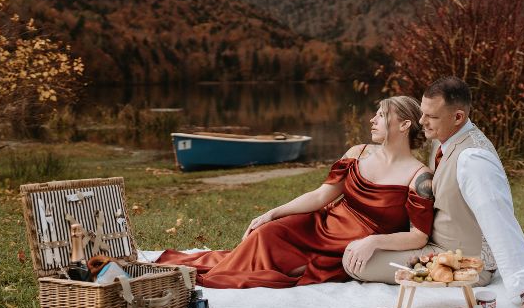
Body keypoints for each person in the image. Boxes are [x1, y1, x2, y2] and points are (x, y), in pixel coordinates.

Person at [154, 97, 434, 288]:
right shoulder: (357, 153)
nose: (372, 119)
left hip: (349, 245)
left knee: (285, 269)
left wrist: (374, 242)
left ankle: (205, 278)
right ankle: (192, 273)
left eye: (382, 115)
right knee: (267, 233)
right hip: (321, 224)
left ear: (405, 124)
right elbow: (320, 196)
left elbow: (418, 236)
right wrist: (272, 213)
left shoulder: (418, 176)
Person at [344, 77, 524, 308]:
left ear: (458, 117)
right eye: (422, 113)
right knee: (360, 246)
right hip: (436, 246)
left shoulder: (473, 160)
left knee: (354, 262)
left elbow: (501, 224)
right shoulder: (445, 138)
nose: (421, 121)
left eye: (431, 117)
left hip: (466, 262)